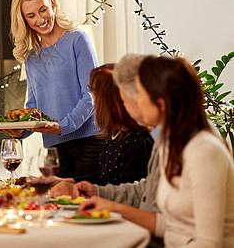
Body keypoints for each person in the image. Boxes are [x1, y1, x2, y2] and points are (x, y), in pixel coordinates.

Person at [79, 56, 234, 247]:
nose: (131, 100)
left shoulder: (204, 151)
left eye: (139, 94)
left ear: (160, 103)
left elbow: (208, 243)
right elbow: (171, 227)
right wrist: (113, 205)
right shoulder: (171, 139)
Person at [0, 0, 102, 178]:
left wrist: (63, 126)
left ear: (52, 3)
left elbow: (91, 94)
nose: (40, 19)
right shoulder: (30, 57)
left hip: (89, 143)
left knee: (85, 206)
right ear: (24, 20)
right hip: (54, 148)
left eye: (43, 10)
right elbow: (34, 106)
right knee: (57, 207)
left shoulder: (77, 39)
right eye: (31, 16)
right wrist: (22, 131)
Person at [55, 63, 153, 186]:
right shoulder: (114, 136)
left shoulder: (138, 144)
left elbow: (131, 196)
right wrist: (66, 181)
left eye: (94, 92)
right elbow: (102, 179)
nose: (92, 100)